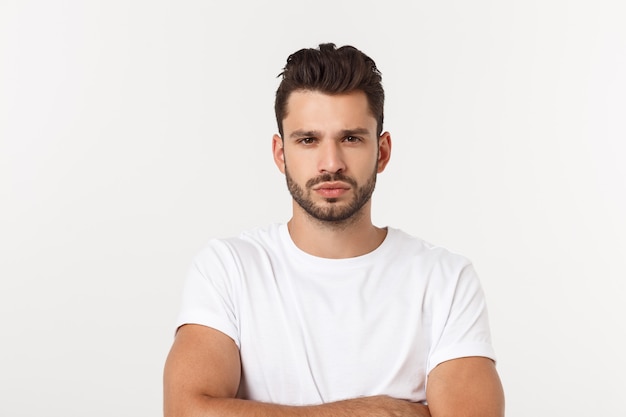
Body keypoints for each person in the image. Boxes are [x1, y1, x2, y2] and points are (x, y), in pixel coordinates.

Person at [163, 43, 505, 417]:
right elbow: (186, 410)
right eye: (308, 140)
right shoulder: (229, 269)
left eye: (351, 138)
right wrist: (367, 412)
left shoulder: (445, 280)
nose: (331, 163)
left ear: (383, 151)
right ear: (280, 154)